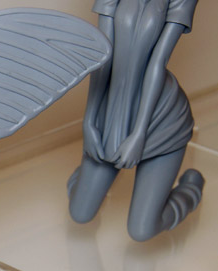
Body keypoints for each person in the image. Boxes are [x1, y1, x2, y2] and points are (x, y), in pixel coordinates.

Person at [68, 0, 203, 241]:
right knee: (80, 214)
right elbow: (103, 57)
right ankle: (91, 180)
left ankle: (192, 187)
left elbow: (157, 64)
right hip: (111, 112)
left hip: (161, 120)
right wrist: (89, 122)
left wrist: (139, 134)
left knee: (141, 231)